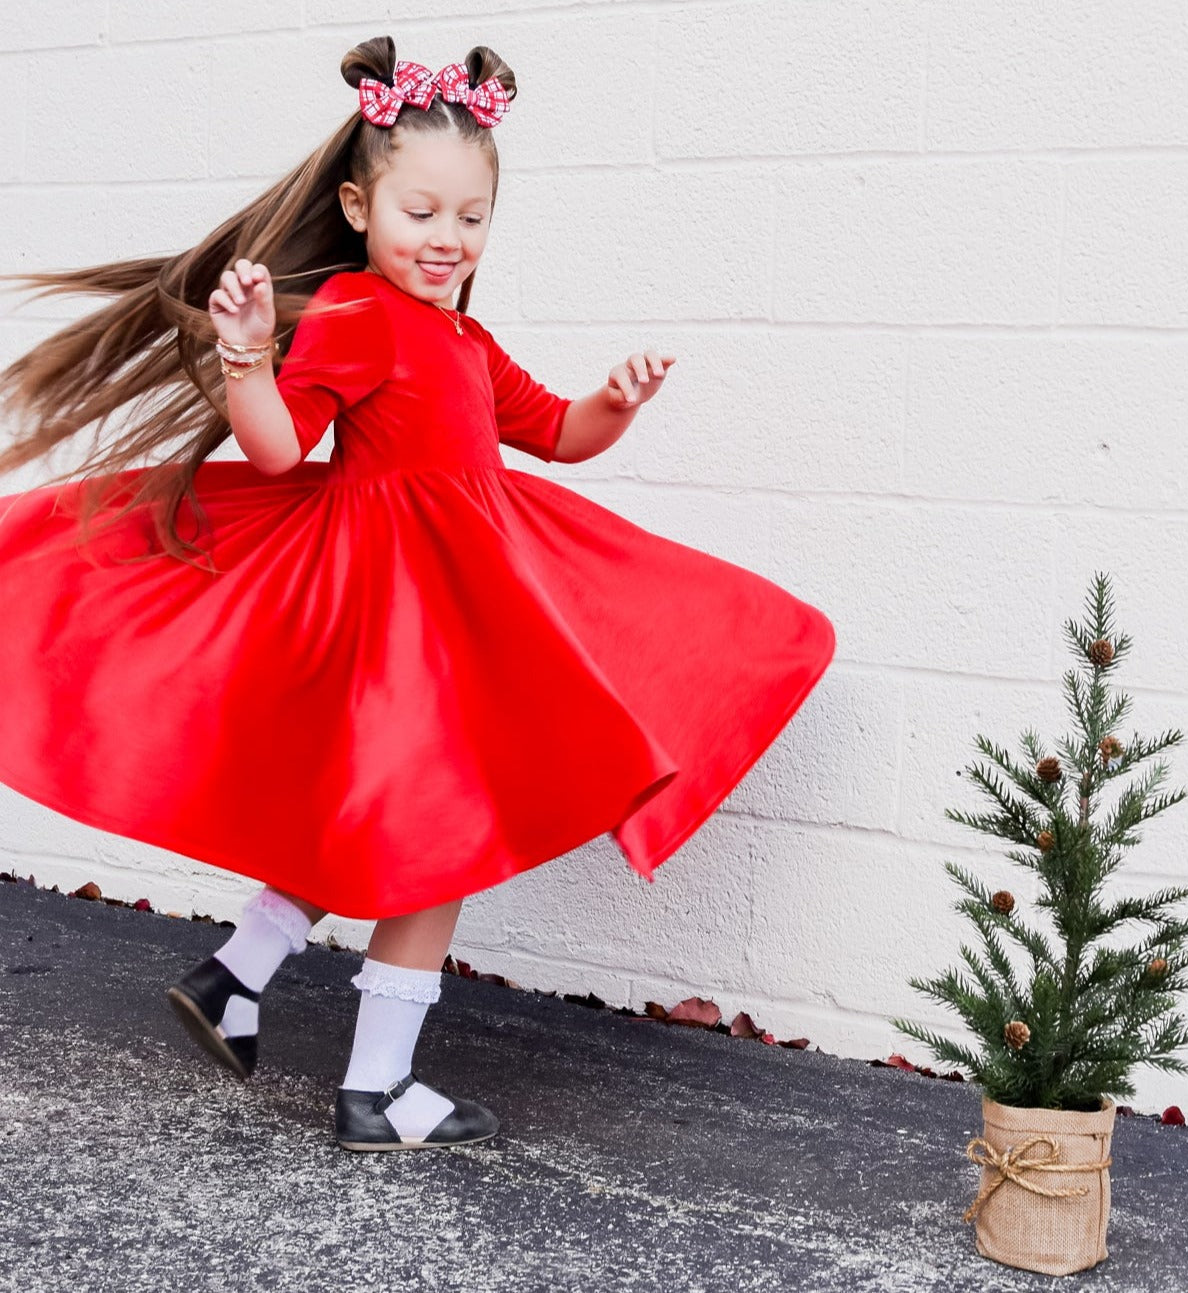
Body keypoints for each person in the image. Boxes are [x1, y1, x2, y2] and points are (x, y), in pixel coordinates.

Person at [0, 38, 836, 1152]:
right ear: (358, 203)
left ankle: (235, 977)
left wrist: (615, 403)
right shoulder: (353, 316)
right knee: (440, 832)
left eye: (472, 218)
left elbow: (557, 435)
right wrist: (248, 359)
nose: (447, 239)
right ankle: (377, 1088)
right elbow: (286, 451)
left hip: (457, 595)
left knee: (382, 811)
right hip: (393, 607)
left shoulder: (464, 338)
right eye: (422, 212)